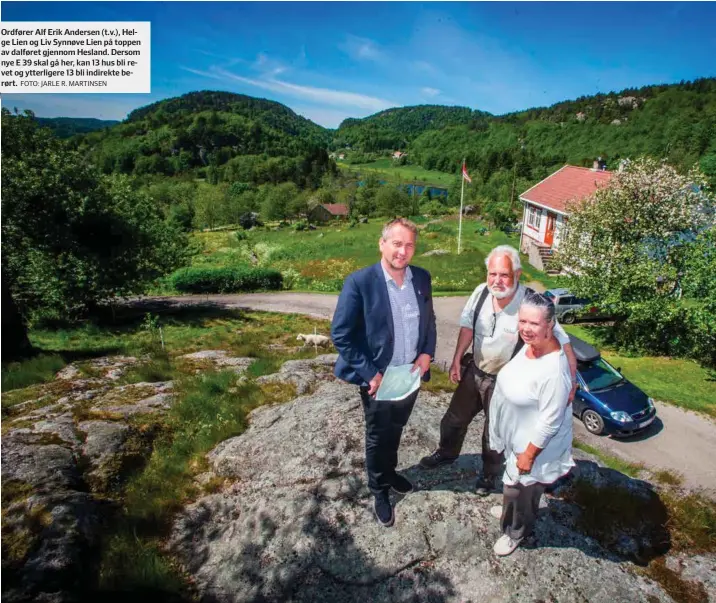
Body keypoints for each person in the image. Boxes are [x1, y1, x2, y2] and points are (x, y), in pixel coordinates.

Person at [419, 245, 577, 497]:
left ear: (517, 274)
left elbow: (564, 341)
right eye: (492, 274)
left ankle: (489, 475)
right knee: (453, 420)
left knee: (494, 435)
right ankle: (446, 453)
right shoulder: (481, 293)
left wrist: (571, 377)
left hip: (504, 383)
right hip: (476, 370)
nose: (497, 280)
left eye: (504, 275)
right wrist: (458, 357)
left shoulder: (531, 303)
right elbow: (467, 327)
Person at [331, 218, 437, 528]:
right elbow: (341, 335)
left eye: (409, 245)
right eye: (397, 243)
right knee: (378, 435)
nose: (403, 251)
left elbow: (429, 321)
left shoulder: (422, 278)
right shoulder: (360, 283)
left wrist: (427, 353)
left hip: (410, 375)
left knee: (397, 427)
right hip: (379, 379)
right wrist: (370, 375)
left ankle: (389, 474)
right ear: (382, 244)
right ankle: (379, 490)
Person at [488, 292, 575, 556]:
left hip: (533, 446)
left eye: (533, 324)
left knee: (522, 491)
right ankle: (509, 507)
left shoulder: (553, 372)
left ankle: (515, 530)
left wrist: (528, 455)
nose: (525, 329)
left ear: (550, 325)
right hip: (516, 436)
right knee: (513, 486)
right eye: (522, 321)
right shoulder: (535, 345)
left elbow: (550, 422)